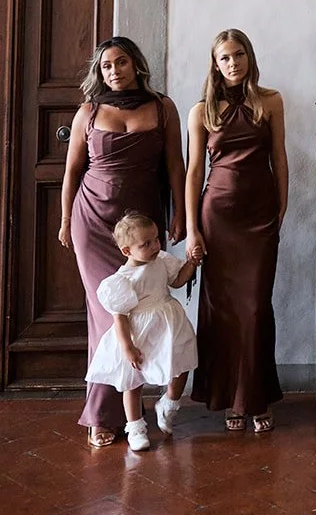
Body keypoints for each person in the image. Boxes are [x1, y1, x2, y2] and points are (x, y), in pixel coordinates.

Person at [59, 36, 186, 448]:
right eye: (106, 66)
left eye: (121, 62)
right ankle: (103, 414)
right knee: (108, 313)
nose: (114, 71)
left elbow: (176, 165)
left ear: (136, 65)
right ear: (100, 72)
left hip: (143, 226)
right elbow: (72, 170)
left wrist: (180, 214)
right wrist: (66, 220)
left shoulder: (163, 107)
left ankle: (132, 411)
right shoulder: (89, 112)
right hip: (93, 223)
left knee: (142, 312)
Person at [186, 29, 287, 434]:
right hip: (218, 217)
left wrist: (281, 208)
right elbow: (194, 172)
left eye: (239, 54)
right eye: (225, 57)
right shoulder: (201, 111)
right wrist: (192, 229)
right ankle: (232, 399)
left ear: (250, 57)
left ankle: (257, 397)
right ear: (215, 64)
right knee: (223, 310)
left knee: (256, 308)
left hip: (260, 216)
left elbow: (279, 158)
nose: (233, 63)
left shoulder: (271, 101)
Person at [86, 211, 198, 452]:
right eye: (146, 244)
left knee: (182, 363)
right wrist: (127, 346)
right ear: (127, 251)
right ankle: (135, 427)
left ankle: (169, 403)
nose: (155, 246)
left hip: (168, 323)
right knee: (133, 380)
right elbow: (120, 316)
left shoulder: (162, 260)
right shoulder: (122, 279)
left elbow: (177, 281)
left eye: (156, 239)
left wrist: (191, 263)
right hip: (139, 330)